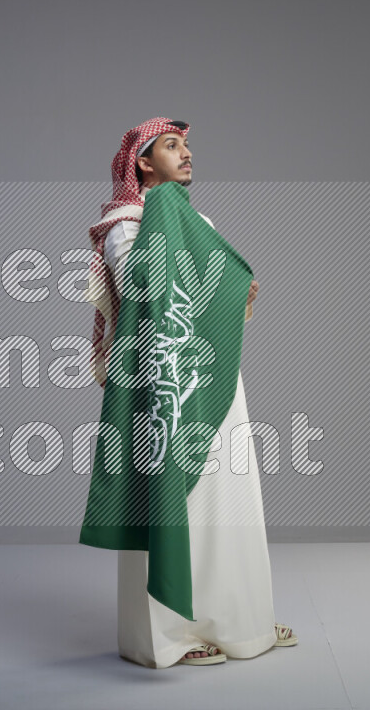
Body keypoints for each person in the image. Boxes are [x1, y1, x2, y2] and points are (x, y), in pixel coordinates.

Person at [82, 117, 297, 668]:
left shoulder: (197, 220)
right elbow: (148, 289)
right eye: (172, 146)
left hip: (212, 377)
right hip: (162, 386)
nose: (187, 153)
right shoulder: (126, 224)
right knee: (174, 498)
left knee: (227, 493)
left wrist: (237, 292)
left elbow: (209, 291)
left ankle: (238, 618)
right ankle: (166, 637)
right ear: (143, 163)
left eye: (187, 145)